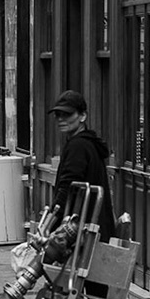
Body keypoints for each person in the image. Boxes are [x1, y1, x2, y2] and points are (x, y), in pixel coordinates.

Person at [46, 89, 116, 236]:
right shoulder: (87, 143)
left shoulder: (78, 145)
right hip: (93, 226)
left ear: (83, 116)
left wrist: (50, 223)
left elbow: (68, 185)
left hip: (80, 230)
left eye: (67, 114)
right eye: (58, 114)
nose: (61, 119)